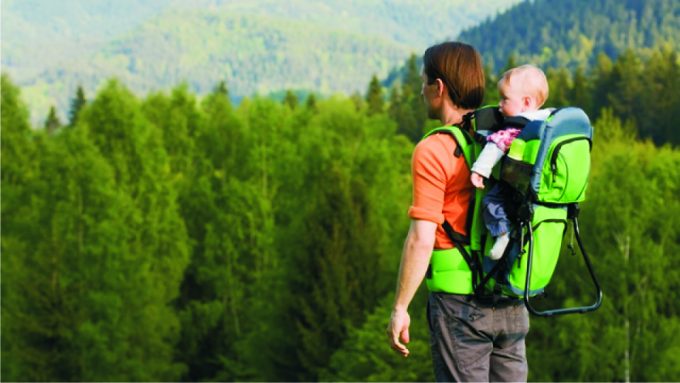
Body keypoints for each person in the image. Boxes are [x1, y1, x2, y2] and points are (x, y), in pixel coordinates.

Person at [386, 42, 530, 382]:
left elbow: (421, 239)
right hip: (510, 298)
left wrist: (400, 307)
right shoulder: (507, 133)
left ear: (439, 88)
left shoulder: (434, 149)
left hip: (460, 308)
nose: (421, 92)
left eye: (424, 83)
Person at [470, 64, 552, 260]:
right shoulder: (548, 119)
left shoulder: (515, 127)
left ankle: (502, 234)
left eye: (505, 99)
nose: (499, 105)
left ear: (526, 102)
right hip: (541, 186)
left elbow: (495, 146)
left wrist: (479, 171)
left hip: (515, 182)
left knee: (491, 201)